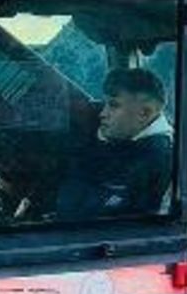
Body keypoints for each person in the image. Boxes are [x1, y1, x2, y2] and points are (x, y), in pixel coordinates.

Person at [54, 67, 175, 220]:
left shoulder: (160, 166)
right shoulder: (107, 141)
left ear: (144, 113)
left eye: (114, 105)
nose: (102, 114)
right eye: (105, 105)